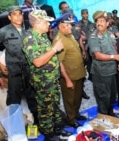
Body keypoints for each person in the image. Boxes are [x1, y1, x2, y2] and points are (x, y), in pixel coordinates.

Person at [22, 10, 72, 140]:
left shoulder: (43, 36)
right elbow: (37, 62)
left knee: (54, 106)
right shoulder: (29, 39)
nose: (49, 24)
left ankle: (57, 129)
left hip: (52, 79)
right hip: (43, 82)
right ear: (37, 23)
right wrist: (55, 49)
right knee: (45, 109)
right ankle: (49, 135)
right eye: (46, 22)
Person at [0, 5, 38, 124]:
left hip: (28, 70)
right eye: (14, 14)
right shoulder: (4, 31)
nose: (18, 17)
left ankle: (37, 124)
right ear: (9, 17)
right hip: (14, 71)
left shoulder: (27, 29)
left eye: (20, 14)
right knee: (14, 100)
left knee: (32, 97)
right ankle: (15, 128)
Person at [88, 10, 119, 116]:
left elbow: (114, 49)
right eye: (97, 21)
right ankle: (103, 117)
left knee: (112, 96)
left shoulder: (110, 34)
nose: (99, 23)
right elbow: (97, 55)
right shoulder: (93, 36)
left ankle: (110, 114)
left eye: (102, 21)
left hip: (111, 71)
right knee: (103, 97)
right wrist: (115, 57)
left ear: (107, 23)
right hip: (101, 72)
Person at [52, 14, 87, 128]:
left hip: (78, 74)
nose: (70, 28)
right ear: (61, 26)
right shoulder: (59, 40)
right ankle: (71, 120)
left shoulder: (69, 36)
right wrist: (67, 80)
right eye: (67, 25)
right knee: (69, 100)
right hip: (69, 76)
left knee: (77, 97)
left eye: (70, 25)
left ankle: (76, 114)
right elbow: (60, 62)